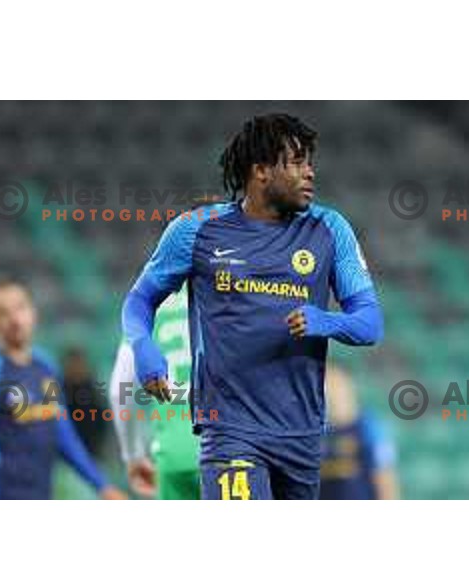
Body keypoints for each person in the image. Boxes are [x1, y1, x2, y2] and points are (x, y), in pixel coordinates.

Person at [122, 113, 383, 500]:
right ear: (261, 170)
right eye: (296, 162)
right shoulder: (196, 231)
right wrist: (143, 346)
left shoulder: (330, 230)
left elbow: (370, 323)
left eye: (310, 161)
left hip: (304, 434)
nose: (309, 172)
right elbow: (139, 301)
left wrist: (325, 321)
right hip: (229, 430)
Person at [0, 276, 126, 500]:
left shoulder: (46, 368)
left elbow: (62, 432)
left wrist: (102, 485)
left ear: (33, 313)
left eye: (20, 308)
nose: (14, 319)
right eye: (2, 312)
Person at [110, 283, 200, 499]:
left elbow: (119, 390)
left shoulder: (146, 306)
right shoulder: (230, 294)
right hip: (233, 447)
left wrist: (133, 455)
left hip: (176, 455)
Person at [320, 364, 399, 500]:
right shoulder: (316, 430)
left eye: (336, 385)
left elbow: (384, 477)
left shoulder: (367, 426)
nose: (331, 391)